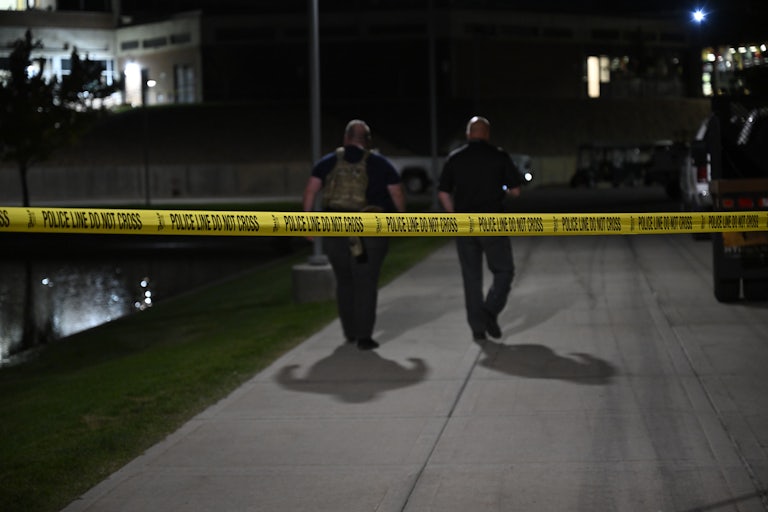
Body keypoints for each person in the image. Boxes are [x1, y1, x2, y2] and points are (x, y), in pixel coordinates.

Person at [302, 119, 406, 350]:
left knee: (345, 281)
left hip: (335, 227)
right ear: (367, 141)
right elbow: (396, 192)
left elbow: (311, 190)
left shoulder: (327, 162)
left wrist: (308, 225)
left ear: (345, 138)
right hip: (371, 229)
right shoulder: (380, 163)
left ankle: (349, 332)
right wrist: (401, 219)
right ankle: (364, 337)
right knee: (366, 283)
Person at [437, 116, 522, 341]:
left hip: (464, 224)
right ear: (487, 134)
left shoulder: (455, 158)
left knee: (471, 277)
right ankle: (490, 310)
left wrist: (454, 216)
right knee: (504, 271)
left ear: (468, 134)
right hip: (493, 222)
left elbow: (443, 192)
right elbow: (516, 191)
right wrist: (502, 189)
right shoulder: (499, 156)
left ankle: (477, 328)